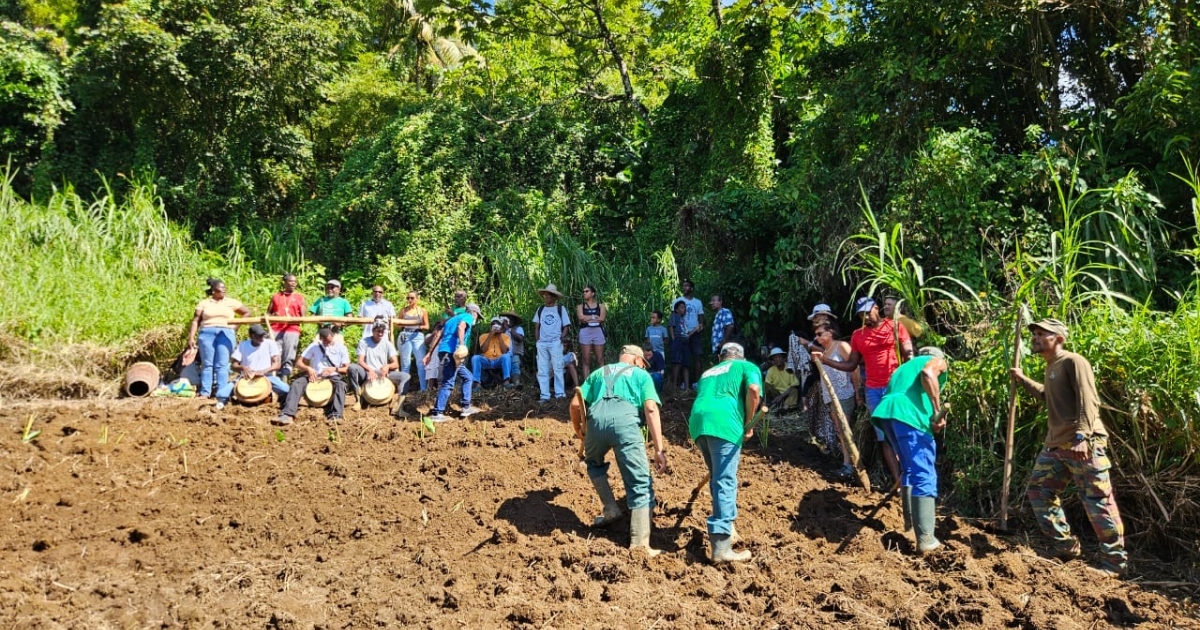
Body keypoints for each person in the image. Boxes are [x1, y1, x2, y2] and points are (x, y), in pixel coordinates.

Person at [1010, 318, 1127, 578]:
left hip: (1082, 443)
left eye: (1043, 334)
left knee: (1098, 500)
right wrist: (1022, 379)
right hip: (1056, 444)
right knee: (1039, 490)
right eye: (1035, 334)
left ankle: (1114, 563)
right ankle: (1065, 546)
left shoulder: (1074, 361)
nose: (1036, 338)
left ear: (1059, 338)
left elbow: (1089, 400)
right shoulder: (1052, 366)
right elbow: (1046, 396)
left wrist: (1082, 436)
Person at [570, 344, 668, 555]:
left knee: (593, 464)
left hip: (595, 425)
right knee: (640, 482)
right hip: (625, 424)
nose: (644, 367)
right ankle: (640, 545)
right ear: (635, 360)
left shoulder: (598, 372)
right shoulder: (641, 376)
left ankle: (610, 508)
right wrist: (659, 449)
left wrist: (579, 430)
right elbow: (650, 408)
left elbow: (576, 406)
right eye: (643, 363)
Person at [813, 297, 912, 489]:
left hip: (896, 387)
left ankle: (908, 477)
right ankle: (898, 483)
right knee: (883, 435)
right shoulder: (858, 335)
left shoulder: (895, 326)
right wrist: (825, 361)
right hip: (873, 390)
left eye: (868, 312)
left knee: (901, 429)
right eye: (861, 314)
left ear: (877, 308)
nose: (865, 317)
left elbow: (908, 352)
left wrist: (910, 374)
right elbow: (852, 364)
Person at [688, 342, 761, 563]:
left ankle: (728, 526)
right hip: (725, 423)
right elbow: (753, 390)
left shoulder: (708, 372)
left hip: (699, 424)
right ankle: (721, 547)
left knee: (717, 476)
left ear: (721, 357)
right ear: (741, 356)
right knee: (725, 480)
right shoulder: (747, 367)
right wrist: (748, 424)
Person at [871, 346, 949, 554]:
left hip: (888, 415)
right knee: (924, 473)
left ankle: (910, 526)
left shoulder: (902, 369)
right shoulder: (935, 361)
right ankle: (926, 540)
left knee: (909, 470)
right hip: (909, 416)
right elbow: (928, 373)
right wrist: (936, 411)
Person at [187, 278, 252, 400]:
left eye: (225, 289)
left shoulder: (231, 302)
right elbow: (196, 320)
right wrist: (191, 337)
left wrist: (234, 327)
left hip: (225, 333)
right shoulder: (204, 303)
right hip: (207, 333)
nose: (224, 291)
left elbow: (247, 313)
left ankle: (222, 393)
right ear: (213, 290)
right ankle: (205, 392)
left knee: (222, 365)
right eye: (221, 289)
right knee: (207, 364)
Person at [275, 327, 350, 426]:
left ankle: (336, 415)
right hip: (316, 375)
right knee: (297, 383)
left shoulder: (341, 348)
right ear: (321, 339)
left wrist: (334, 369)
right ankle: (287, 414)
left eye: (329, 340)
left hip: (333, 376)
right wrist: (308, 369)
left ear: (333, 336)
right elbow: (298, 363)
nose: (327, 343)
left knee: (341, 385)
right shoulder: (314, 346)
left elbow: (346, 369)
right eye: (325, 341)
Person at [813, 322, 861, 478]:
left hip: (844, 394)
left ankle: (850, 466)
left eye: (820, 334)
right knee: (840, 431)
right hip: (831, 397)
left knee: (845, 429)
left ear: (831, 332)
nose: (817, 337)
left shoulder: (841, 346)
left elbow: (855, 368)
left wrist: (857, 392)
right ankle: (847, 463)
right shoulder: (825, 351)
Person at [214, 324, 290, 410]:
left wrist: (263, 371)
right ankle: (223, 405)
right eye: (260, 336)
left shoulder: (270, 343)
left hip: (267, 376)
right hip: (246, 377)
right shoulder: (243, 345)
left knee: (286, 390)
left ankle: (282, 403)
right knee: (221, 394)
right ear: (252, 336)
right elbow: (233, 365)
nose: (262, 338)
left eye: (263, 335)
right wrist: (242, 367)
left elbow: (277, 364)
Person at [430, 303, 483, 421]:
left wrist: (429, 353)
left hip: (443, 351)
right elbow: (461, 327)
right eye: (477, 317)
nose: (476, 320)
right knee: (448, 383)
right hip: (452, 353)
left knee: (468, 377)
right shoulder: (468, 316)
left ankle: (466, 407)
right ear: (474, 313)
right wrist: (462, 345)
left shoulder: (451, 319)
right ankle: (437, 412)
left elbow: (439, 335)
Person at [348, 319, 412, 417]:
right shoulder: (364, 342)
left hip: (383, 373)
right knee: (352, 367)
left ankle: (399, 407)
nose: (380, 333)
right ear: (373, 331)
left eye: (382, 331)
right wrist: (369, 370)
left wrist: (387, 366)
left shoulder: (387, 344)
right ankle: (358, 400)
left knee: (406, 376)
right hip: (367, 372)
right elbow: (360, 361)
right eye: (378, 331)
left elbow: (396, 364)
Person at [533, 283, 571, 402]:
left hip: (555, 342)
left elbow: (566, 326)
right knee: (543, 370)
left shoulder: (560, 309)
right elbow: (537, 326)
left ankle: (560, 394)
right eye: (544, 295)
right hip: (542, 343)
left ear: (554, 297)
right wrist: (538, 340)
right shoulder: (540, 309)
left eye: (548, 295)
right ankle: (544, 395)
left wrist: (561, 338)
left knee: (558, 368)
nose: (545, 297)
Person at [266, 273, 305, 377]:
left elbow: (303, 317)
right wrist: (274, 315)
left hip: (292, 330)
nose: (293, 283)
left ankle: (285, 381)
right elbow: (267, 314)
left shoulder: (299, 297)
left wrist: (292, 318)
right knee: (275, 355)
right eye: (291, 281)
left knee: (288, 356)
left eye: (295, 281)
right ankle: (273, 382)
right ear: (285, 282)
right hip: (275, 329)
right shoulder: (276, 296)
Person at [397, 291, 431, 392]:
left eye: (412, 298)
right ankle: (403, 390)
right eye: (408, 298)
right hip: (405, 335)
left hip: (417, 335)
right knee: (405, 363)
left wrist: (417, 325)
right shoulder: (403, 311)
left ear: (417, 299)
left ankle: (423, 389)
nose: (410, 300)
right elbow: (398, 324)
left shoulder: (422, 311)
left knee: (421, 363)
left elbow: (427, 326)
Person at [674, 279, 705, 388]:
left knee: (697, 356)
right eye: (683, 286)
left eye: (687, 286)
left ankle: (696, 382)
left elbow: (701, 316)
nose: (684, 288)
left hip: (695, 332)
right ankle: (683, 383)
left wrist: (701, 325)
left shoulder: (697, 302)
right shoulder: (678, 300)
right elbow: (674, 317)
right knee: (682, 358)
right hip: (682, 333)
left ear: (691, 288)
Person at [471, 317, 513, 387]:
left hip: (499, 360)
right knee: (475, 358)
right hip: (487, 360)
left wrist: (499, 336)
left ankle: (506, 381)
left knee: (506, 356)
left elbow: (504, 351)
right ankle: (477, 383)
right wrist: (490, 335)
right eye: (493, 324)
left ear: (500, 326)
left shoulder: (505, 337)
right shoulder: (483, 336)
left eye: (497, 324)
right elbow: (483, 350)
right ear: (490, 327)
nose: (495, 326)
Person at [576, 285, 608, 379]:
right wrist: (594, 317)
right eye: (583, 291)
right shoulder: (580, 307)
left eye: (587, 291)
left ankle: (603, 382)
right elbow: (581, 318)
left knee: (600, 359)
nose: (584, 293)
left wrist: (588, 318)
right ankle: (587, 383)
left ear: (593, 293)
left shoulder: (601, 306)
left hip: (598, 332)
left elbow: (602, 318)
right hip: (585, 332)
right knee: (586, 360)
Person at [667, 299, 691, 391]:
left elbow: (686, 332)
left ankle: (687, 387)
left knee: (686, 364)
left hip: (685, 342)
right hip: (678, 340)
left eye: (685, 307)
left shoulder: (683, 320)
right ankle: (673, 386)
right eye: (681, 307)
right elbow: (671, 327)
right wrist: (673, 339)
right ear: (676, 309)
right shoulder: (674, 316)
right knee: (677, 363)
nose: (684, 309)